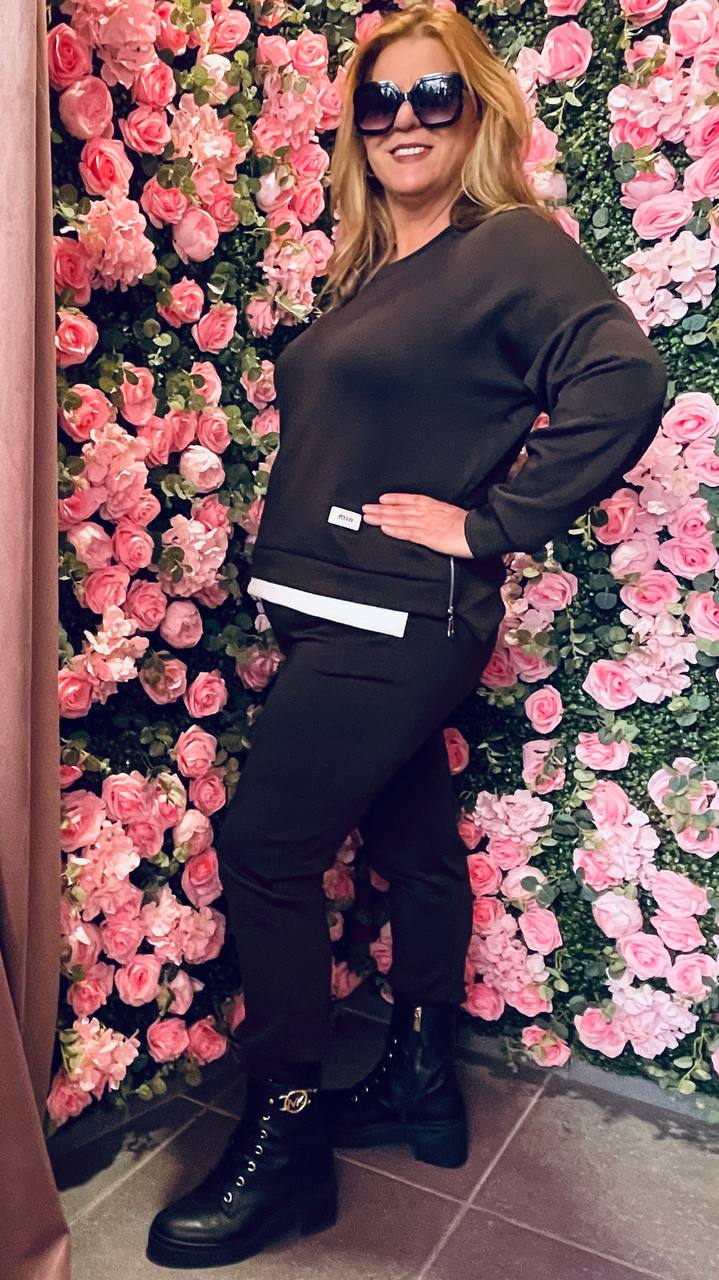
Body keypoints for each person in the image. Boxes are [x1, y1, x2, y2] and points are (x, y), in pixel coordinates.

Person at [146, 3, 668, 1269]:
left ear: (474, 111)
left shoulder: (510, 246)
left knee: (266, 848)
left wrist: (491, 523)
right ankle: (425, 1078)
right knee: (410, 838)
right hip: (346, 609)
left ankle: (285, 1143)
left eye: (432, 95)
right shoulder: (382, 267)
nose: (402, 120)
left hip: (395, 617)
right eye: (377, 101)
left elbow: (624, 380)